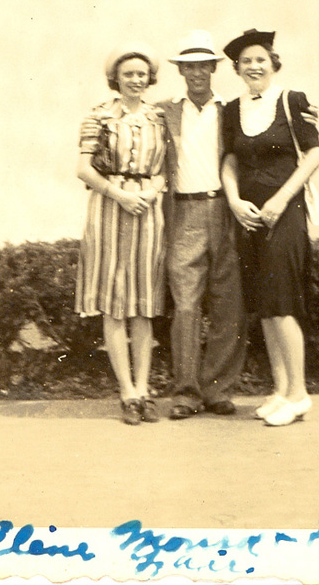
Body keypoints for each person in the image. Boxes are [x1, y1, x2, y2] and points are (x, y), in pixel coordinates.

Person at [221, 29, 319, 426]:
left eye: (260, 59)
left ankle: (299, 394)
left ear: (273, 62)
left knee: (282, 301)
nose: (253, 66)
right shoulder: (232, 109)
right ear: (237, 68)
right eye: (246, 61)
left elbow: (315, 154)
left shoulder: (292, 100)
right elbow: (230, 160)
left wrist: (281, 199)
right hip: (249, 217)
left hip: (286, 212)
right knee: (264, 305)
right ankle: (280, 391)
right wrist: (233, 199)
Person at [75, 42, 166, 426]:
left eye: (141, 74)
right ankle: (126, 392)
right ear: (116, 78)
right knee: (114, 301)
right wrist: (120, 195)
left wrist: (148, 192)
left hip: (147, 210)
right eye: (127, 74)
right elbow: (83, 169)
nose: (135, 80)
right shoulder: (99, 116)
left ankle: (144, 390)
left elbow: (166, 169)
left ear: (149, 79)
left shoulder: (159, 119)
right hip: (109, 208)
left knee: (143, 304)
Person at [158, 30, 246, 419]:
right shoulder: (163, 111)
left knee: (230, 304)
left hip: (225, 210)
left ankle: (218, 390)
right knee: (187, 304)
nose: (196, 72)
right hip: (184, 213)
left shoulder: (233, 110)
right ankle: (186, 393)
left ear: (213, 68)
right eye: (188, 66)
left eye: (202, 65)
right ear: (181, 71)